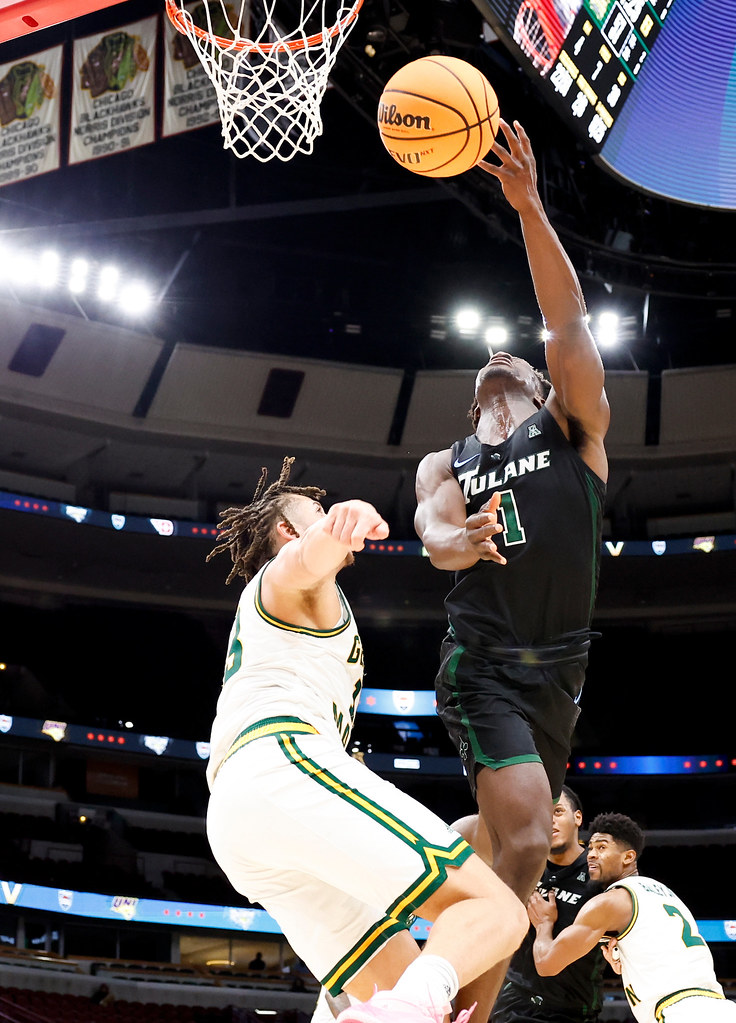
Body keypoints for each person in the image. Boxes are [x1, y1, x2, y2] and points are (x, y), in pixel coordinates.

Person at [204, 456, 528, 1023]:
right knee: (499, 912)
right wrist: (339, 527)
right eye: (318, 510)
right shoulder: (284, 575)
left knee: (401, 992)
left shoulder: (289, 608)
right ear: (288, 529)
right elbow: (304, 559)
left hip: (242, 819)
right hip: (280, 765)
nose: (328, 513)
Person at [414, 119, 609, 1021]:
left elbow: (567, 321)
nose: (498, 359)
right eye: (485, 367)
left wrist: (529, 207)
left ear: (541, 387)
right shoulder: (449, 460)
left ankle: (425, 894)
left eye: (516, 362)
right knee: (530, 834)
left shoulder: (573, 427)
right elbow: (432, 531)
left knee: (499, 842)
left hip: (560, 671)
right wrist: (463, 540)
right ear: (474, 405)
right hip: (483, 659)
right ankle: (459, 1007)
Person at [527, 812, 736, 1022]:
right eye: (590, 848)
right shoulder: (664, 892)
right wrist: (624, 960)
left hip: (680, 1013)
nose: (591, 855)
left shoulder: (610, 902)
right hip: (722, 1008)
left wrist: (544, 924)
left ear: (628, 857)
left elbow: (546, 964)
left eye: (601, 847)